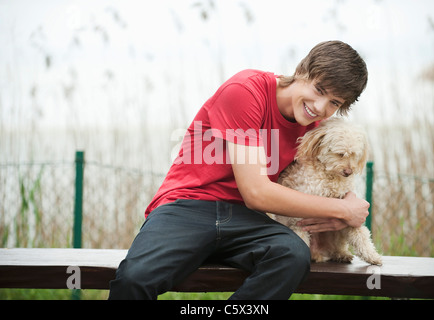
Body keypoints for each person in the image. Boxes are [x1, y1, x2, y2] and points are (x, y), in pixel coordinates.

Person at [108, 40, 369, 300]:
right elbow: (256, 192)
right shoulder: (246, 90)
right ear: (302, 71)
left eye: (334, 102)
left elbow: (323, 181)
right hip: (187, 206)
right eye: (319, 89)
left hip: (247, 220)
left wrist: (347, 202)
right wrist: (343, 210)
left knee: (292, 255)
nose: (321, 107)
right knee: (134, 278)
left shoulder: (316, 129)